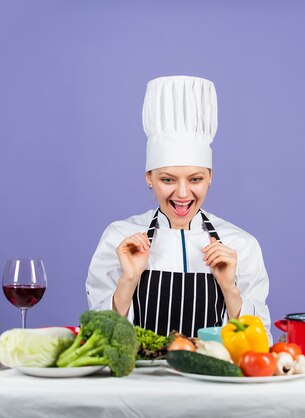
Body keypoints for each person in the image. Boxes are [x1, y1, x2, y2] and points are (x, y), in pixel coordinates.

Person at [85, 75, 272, 343]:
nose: (182, 194)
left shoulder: (241, 245)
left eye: (195, 179)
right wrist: (129, 279)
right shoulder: (120, 238)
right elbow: (99, 339)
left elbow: (260, 343)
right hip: (139, 381)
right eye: (167, 179)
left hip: (211, 380)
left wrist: (230, 289)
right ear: (149, 178)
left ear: (210, 177)